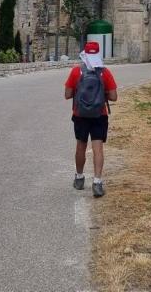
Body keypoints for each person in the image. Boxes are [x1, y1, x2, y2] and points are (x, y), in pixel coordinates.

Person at [64, 41, 117, 198]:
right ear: (99, 53)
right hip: (99, 115)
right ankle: (97, 182)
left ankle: (79, 178)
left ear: (84, 53)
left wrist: (80, 94)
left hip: (80, 115)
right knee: (98, 148)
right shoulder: (105, 72)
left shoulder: (76, 72)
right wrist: (101, 96)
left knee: (81, 146)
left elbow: (67, 95)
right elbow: (114, 97)